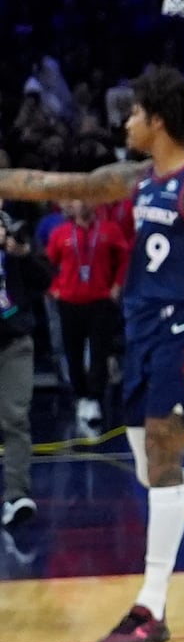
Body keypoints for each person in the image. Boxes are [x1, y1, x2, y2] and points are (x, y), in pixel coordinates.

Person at [0, 68, 184, 642]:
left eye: (133, 113)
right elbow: (58, 182)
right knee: (150, 465)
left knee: (162, 462)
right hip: (142, 333)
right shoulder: (135, 179)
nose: (126, 121)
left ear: (157, 120)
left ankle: (151, 607)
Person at [44, 197, 125, 436]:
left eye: (89, 201)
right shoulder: (61, 233)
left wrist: (116, 286)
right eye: (79, 201)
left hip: (100, 300)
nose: (85, 205)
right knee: (73, 353)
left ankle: (95, 398)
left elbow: (124, 259)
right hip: (69, 301)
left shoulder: (110, 230)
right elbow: (47, 264)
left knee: (100, 352)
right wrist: (54, 288)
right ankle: (80, 396)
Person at [0, 213, 49, 526]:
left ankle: (17, 496)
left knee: (15, 418)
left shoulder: (17, 240)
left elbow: (47, 279)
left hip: (14, 342)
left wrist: (23, 254)